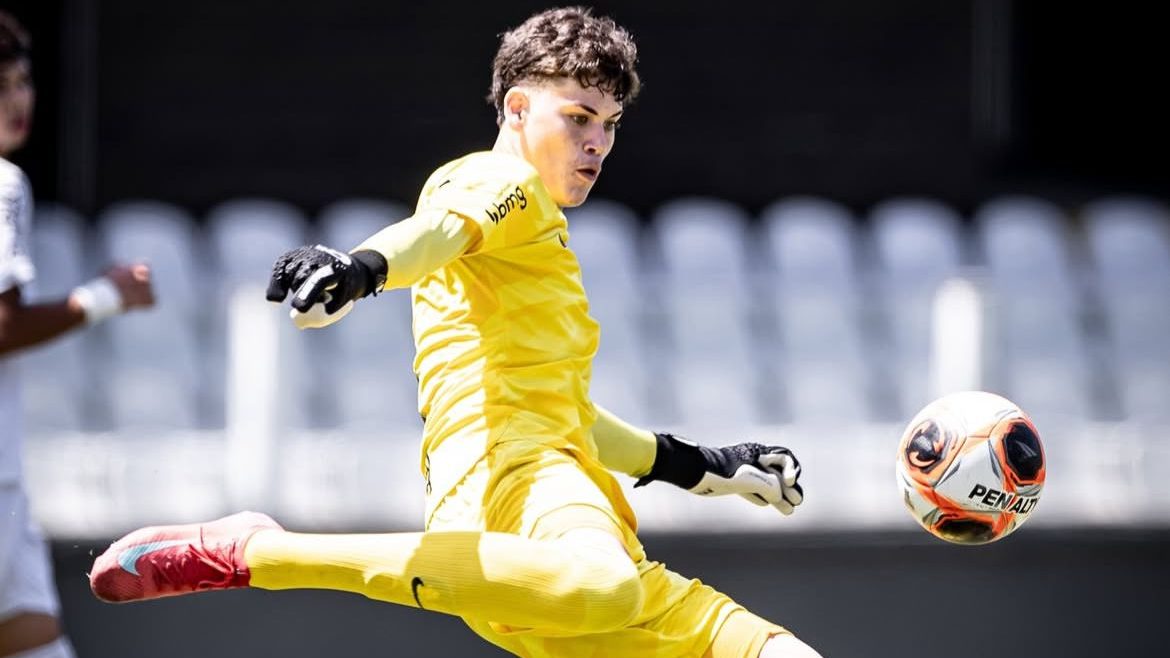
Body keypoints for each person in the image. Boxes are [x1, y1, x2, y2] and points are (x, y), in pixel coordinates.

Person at [89, 7, 821, 657]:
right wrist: (360, 269)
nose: (597, 142)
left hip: (546, 542)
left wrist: (706, 466)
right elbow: (437, 232)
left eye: (610, 125)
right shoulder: (499, 184)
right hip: (517, 491)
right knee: (604, 587)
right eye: (578, 117)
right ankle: (257, 551)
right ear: (516, 107)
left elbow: (565, 416)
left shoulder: (537, 240)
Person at [0, 10, 156, 658]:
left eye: (23, 81)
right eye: (0, 85)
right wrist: (103, 297)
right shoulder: (4, 184)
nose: (18, 100)